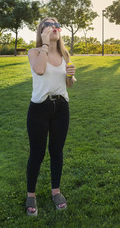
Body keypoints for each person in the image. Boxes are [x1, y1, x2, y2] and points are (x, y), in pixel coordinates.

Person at [26, 17, 76, 216]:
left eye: (56, 23)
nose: (53, 26)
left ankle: (56, 191)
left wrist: (70, 76)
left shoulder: (65, 53)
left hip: (62, 108)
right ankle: (31, 194)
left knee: (57, 151)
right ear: (41, 31)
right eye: (48, 23)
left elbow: (69, 84)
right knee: (37, 154)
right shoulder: (35, 52)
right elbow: (39, 70)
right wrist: (45, 44)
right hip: (39, 109)